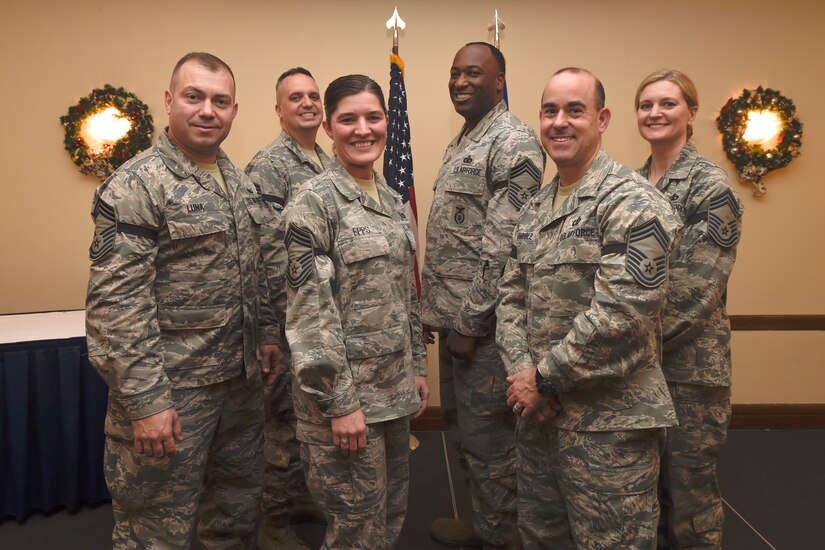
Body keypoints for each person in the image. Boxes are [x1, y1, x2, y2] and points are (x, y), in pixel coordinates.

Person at [85, 52, 282, 549]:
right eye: (194, 97)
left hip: (239, 387)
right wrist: (146, 401)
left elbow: (250, 272)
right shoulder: (137, 185)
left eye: (220, 101)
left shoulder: (239, 184)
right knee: (155, 529)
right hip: (172, 390)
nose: (207, 111)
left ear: (235, 110)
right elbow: (117, 307)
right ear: (170, 101)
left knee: (235, 514)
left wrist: (265, 339)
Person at [499, 67, 681, 549]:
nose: (560, 122)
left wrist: (541, 379)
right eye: (550, 111)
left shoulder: (635, 203)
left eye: (574, 110)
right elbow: (510, 298)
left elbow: (622, 313)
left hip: (609, 429)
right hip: (539, 419)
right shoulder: (534, 209)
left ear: (601, 119)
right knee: (541, 538)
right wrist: (524, 377)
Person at [283, 74, 429, 550]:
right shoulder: (313, 203)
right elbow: (310, 316)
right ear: (328, 126)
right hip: (344, 407)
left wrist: (417, 367)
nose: (362, 129)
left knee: (388, 520)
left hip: (393, 395)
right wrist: (340, 403)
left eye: (373, 117)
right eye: (348, 119)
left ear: (387, 122)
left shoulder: (388, 197)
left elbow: (404, 294)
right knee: (355, 532)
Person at [421, 41, 545, 549]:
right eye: (454, 73)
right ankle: (480, 524)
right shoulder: (465, 139)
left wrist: (470, 325)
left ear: (500, 81)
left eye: (473, 73)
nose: (460, 82)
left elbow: (503, 246)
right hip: (456, 324)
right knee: (465, 431)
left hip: (486, 333)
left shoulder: (513, 142)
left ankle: (502, 538)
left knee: (492, 444)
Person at [635, 69, 743, 549]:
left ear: (691, 114)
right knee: (644, 491)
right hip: (639, 369)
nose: (655, 113)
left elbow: (696, 292)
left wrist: (622, 342)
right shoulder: (632, 185)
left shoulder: (711, 187)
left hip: (688, 373)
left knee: (690, 496)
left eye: (667, 104)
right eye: (646, 105)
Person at [245, 66, 330, 550]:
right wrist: (272, 332)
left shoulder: (326, 159)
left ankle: (298, 496)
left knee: (311, 416)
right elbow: (267, 254)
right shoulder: (270, 166)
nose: (307, 103)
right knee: (281, 423)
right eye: (295, 97)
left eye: (314, 95)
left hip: (318, 318)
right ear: (279, 109)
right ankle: (271, 518)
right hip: (284, 317)